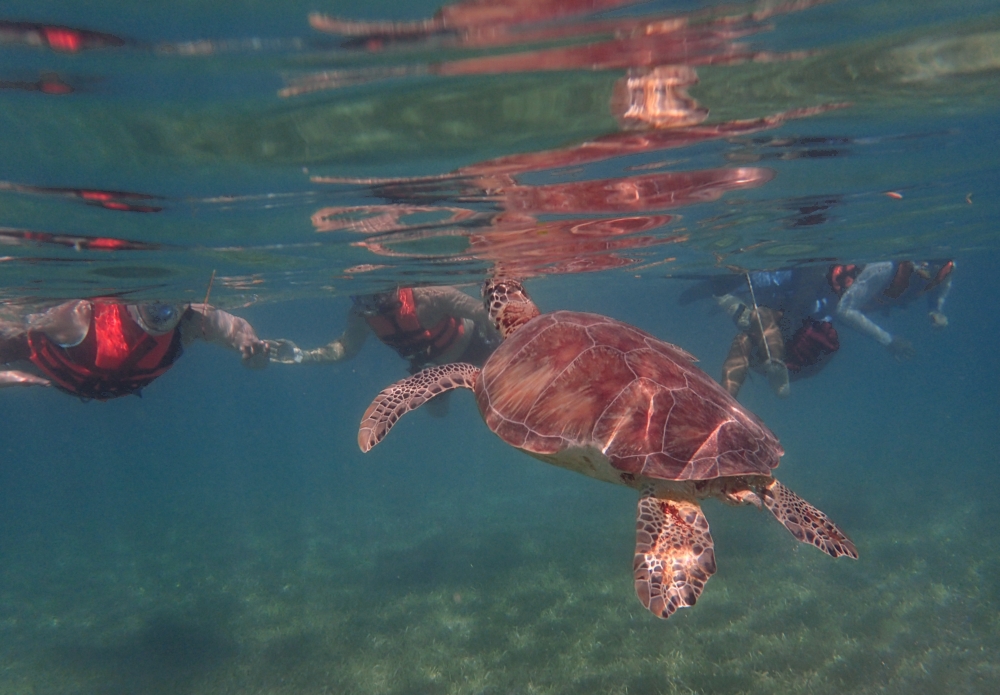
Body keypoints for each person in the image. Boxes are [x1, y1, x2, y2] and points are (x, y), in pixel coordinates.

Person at [702, 259, 953, 398]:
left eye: (930, 266)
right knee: (755, 306)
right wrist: (887, 340)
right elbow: (846, 309)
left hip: (819, 307)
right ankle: (770, 362)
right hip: (817, 290)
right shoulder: (884, 269)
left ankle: (732, 308)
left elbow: (939, 287)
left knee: (755, 323)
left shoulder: (941, 271)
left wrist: (936, 309)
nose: (924, 267)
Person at [267, 285, 501, 415]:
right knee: (438, 413)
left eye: (373, 296)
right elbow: (345, 348)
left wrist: (503, 343)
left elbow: (483, 312)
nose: (369, 305)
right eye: (359, 297)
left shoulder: (430, 296)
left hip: (476, 346)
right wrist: (301, 355)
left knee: (504, 394)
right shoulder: (362, 315)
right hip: (431, 368)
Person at [0, 299, 268, 399]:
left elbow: (233, 328)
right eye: (157, 304)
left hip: (89, 384)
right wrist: (6, 379)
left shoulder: (190, 320)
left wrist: (249, 344)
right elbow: (13, 321)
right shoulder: (76, 317)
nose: (165, 312)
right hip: (39, 367)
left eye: (174, 305)